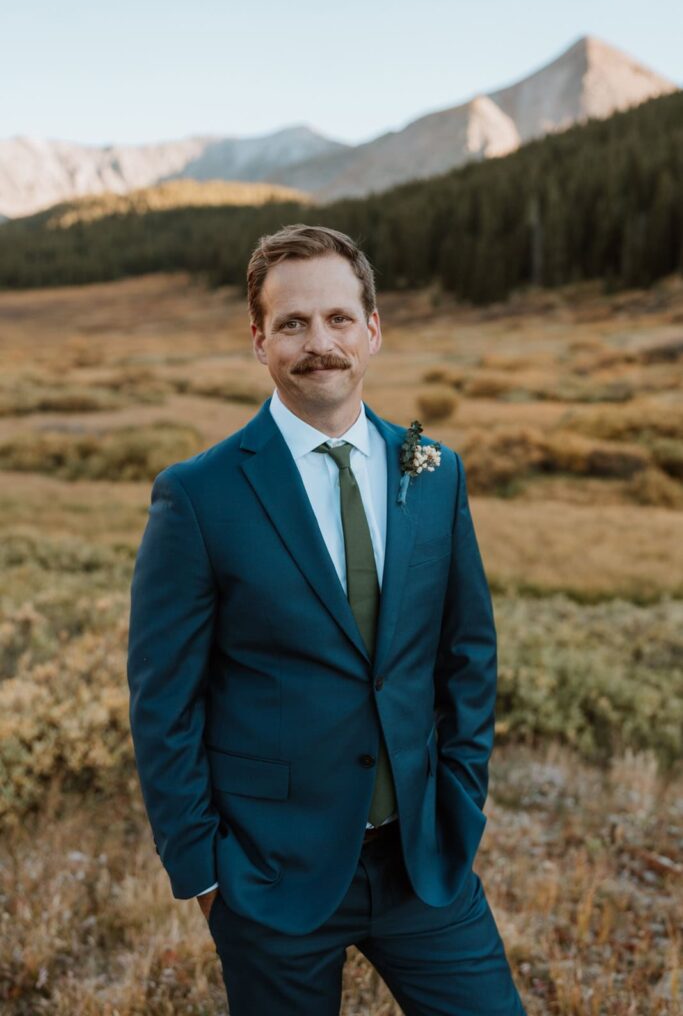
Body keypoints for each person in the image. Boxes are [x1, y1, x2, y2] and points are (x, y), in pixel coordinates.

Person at [126, 223, 527, 1015]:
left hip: (423, 863)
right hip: (268, 880)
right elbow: (162, 700)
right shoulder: (198, 495)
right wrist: (205, 876)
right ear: (259, 340)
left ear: (373, 330)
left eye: (339, 319)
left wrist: (459, 799)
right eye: (293, 323)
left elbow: (466, 656)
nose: (320, 343)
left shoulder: (434, 471)